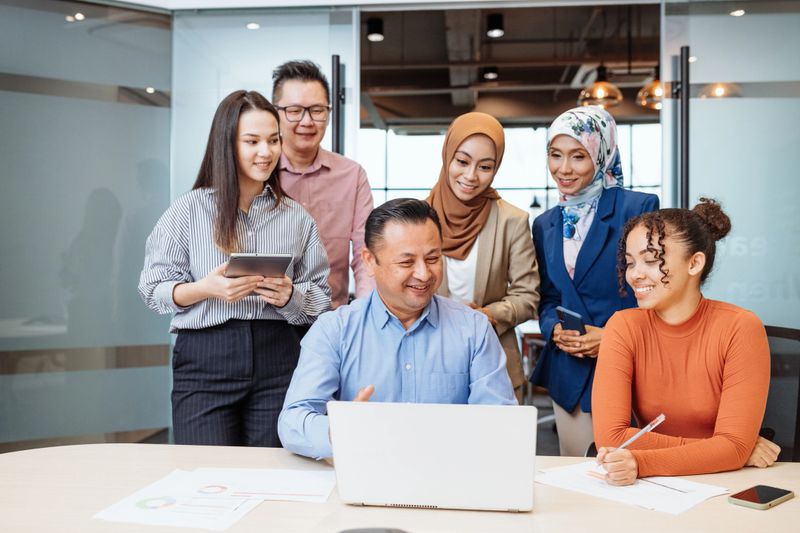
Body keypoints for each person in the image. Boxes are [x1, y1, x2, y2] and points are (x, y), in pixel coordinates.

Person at [139, 90, 331, 447]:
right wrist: (205, 289)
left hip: (278, 356)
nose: (266, 152)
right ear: (226, 144)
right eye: (252, 141)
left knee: (273, 471)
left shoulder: (297, 217)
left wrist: (290, 296)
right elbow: (152, 291)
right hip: (205, 357)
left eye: (274, 140)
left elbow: (322, 298)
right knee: (205, 471)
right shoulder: (188, 211)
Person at [278, 199, 517, 460]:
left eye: (433, 259)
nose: (424, 274)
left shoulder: (474, 329)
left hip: (451, 472)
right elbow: (293, 421)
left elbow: (501, 422)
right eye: (406, 262)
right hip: (364, 472)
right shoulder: (334, 330)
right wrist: (338, 430)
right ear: (370, 261)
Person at [592, 199, 780, 484]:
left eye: (651, 260)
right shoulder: (623, 326)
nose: (635, 274)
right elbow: (611, 437)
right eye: (630, 262)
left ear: (694, 263)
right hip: (654, 487)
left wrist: (642, 461)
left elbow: (733, 448)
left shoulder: (740, 327)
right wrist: (724, 450)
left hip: (724, 482)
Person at [529, 107, 659, 457]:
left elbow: (657, 292)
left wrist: (614, 338)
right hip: (569, 371)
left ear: (602, 155)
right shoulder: (545, 224)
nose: (564, 169)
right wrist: (553, 329)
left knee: (630, 470)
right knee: (574, 473)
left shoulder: (637, 208)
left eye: (578, 156)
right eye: (555, 155)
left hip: (627, 369)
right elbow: (548, 298)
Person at [427, 112, 540, 402]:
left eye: (485, 166)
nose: (471, 176)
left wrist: (488, 315)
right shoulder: (419, 218)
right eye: (462, 161)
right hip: (428, 361)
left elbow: (527, 296)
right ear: (447, 156)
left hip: (494, 362)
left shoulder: (511, 220)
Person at [272, 60, 375, 309]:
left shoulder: (352, 175)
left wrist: (365, 314)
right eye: (294, 110)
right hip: (269, 317)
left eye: (317, 110)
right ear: (275, 113)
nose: (307, 121)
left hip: (329, 316)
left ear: (329, 113)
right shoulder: (259, 172)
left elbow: (365, 254)